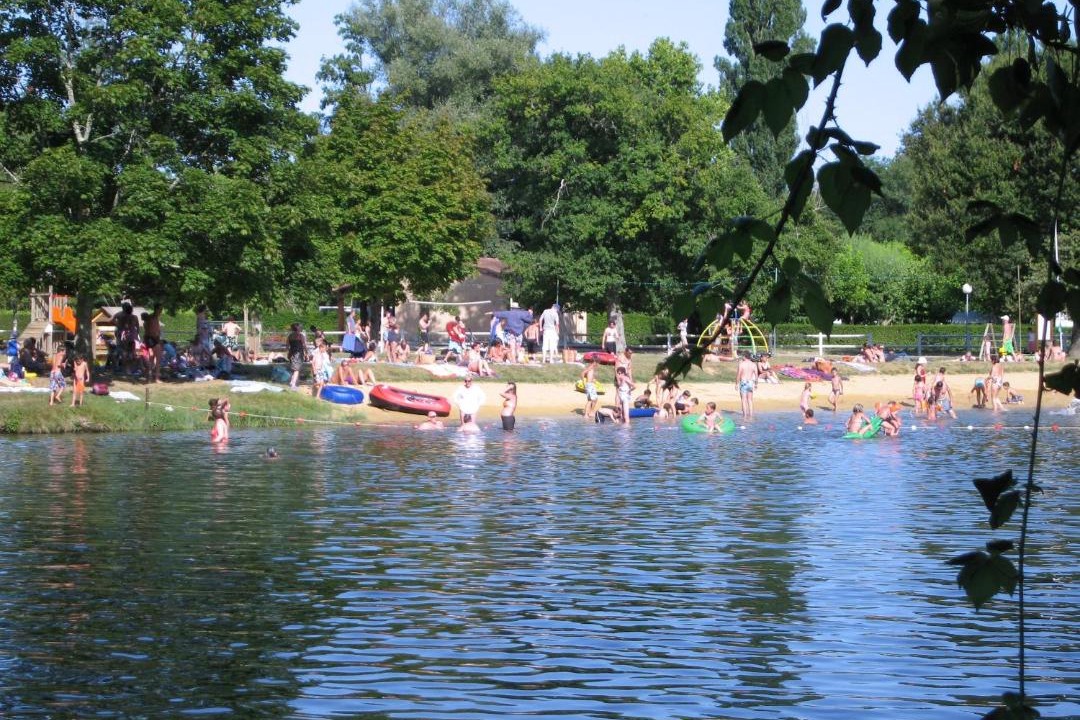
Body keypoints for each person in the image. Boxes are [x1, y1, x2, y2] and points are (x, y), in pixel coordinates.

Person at [142, 303, 164, 382]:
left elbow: (157, 330)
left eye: (161, 309)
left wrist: (159, 339)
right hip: (151, 339)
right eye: (160, 309)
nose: (161, 311)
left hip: (155, 339)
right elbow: (149, 330)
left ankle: (154, 377)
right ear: (156, 309)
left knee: (156, 358)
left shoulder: (156, 318)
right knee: (154, 358)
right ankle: (153, 377)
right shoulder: (151, 318)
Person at [736, 351, 757, 419]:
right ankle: (751, 415)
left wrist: (737, 383)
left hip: (744, 382)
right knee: (750, 400)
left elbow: (738, 375)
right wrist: (756, 384)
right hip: (750, 382)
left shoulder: (742, 364)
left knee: (744, 399)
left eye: (742, 356)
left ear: (744, 356)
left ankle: (744, 415)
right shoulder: (753, 364)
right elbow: (756, 375)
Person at [286, 322, 307, 390]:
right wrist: (306, 352)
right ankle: (293, 384)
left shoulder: (290, 336)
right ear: (297, 328)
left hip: (291, 353)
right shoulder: (300, 336)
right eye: (299, 327)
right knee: (297, 370)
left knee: (294, 369)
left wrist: (289, 352)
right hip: (298, 354)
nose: (300, 328)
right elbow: (304, 345)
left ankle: (292, 382)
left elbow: (287, 346)